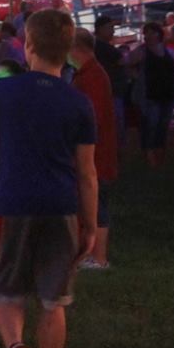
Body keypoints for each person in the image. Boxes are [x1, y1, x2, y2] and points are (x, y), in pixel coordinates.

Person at [0, 8, 96, 348]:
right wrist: (90, 224)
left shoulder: (4, 92)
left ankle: (15, 347)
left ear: (27, 46)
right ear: (69, 51)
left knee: (4, 292)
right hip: (60, 207)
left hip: (13, 203)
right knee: (53, 300)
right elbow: (87, 173)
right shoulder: (79, 103)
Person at [68, 28, 119, 269]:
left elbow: (93, 117)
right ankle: (91, 254)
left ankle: (99, 257)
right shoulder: (89, 74)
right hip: (95, 153)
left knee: (97, 204)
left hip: (96, 154)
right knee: (92, 203)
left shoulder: (92, 77)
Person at [133, 21, 174, 167]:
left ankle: (159, 153)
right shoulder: (142, 51)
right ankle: (150, 154)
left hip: (167, 93)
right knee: (151, 125)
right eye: (146, 32)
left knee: (163, 125)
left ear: (159, 34)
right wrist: (138, 77)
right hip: (151, 94)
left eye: (152, 32)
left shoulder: (168, 51)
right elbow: (125, 62)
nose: (148, 35)